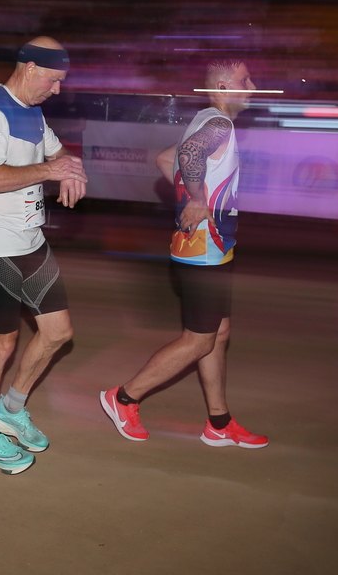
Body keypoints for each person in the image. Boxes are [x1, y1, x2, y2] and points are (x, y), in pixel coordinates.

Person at [100, 59, 268, 449]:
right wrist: (196, 198)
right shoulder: (219, 124)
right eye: (245, 80)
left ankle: (219, 423)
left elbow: (166, 159)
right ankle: (123, 398)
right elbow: (190, 153)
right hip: (204, 250)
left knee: (218, 334)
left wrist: (192, 198)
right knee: (198, 339)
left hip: (214, 248)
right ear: (223, 86)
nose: (252, 86)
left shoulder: (206, 119)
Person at [0, 37, 87, 474]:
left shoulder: (34, 111)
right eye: (53, 80)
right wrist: (51, 170)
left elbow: (58, 152)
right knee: (0, 344)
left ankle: (11, 409)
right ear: (30, 68)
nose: (57, 90)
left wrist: (69, 168)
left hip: (31, 242)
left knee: (58, 332)